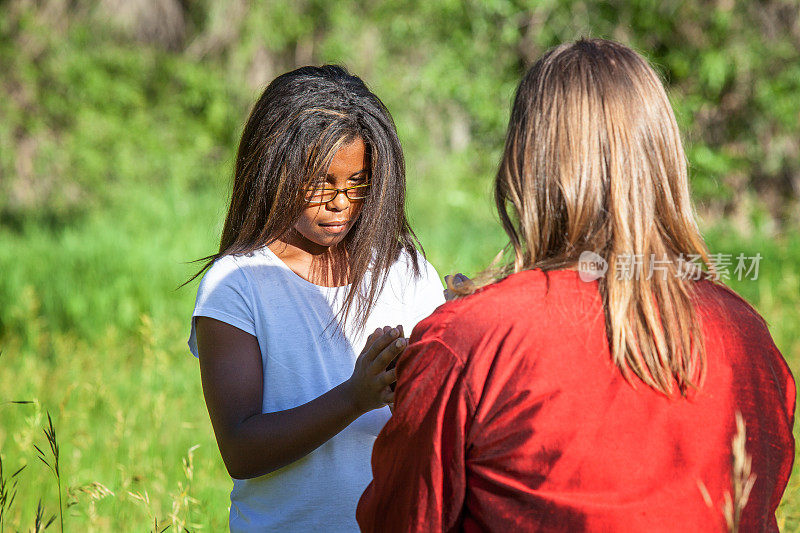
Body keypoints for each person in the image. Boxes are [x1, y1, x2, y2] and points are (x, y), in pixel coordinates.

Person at [357, 39, 795, 532]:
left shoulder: (466, 340)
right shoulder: (749, 340)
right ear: (665, 162)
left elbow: (400, 520)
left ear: (523, 165)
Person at [187, 65, 445, 532]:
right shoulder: (238, 285)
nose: (341, 202)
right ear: (273, 170)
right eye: (321, 181)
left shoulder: (404, 271)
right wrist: (354, 397)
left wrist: (467, 323)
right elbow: (241, 450)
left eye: (358, 182)